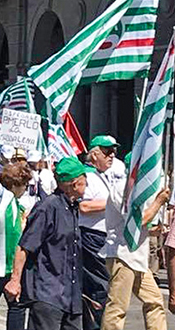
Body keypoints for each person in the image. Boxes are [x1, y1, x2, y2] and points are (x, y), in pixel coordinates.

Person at [5, 156, 88, 330]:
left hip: (71, 296)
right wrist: (15, 281)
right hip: (49, 294)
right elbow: (24, 247)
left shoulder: (73, 208)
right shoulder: (47, 208)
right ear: (74, 184)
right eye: (84, 180)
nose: (87, 185)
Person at [101, 155, 169, 330]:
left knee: (154, 301)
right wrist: (158, 201)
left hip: (137, 257)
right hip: (122, 255)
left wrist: (158, 227)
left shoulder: (140, 190)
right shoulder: (122, 189)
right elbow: (138, 221)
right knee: (118, 307)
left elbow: (146, 225)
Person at [0, 162, 33, 330]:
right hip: (7, 265)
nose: (25, 188)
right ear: (16, 184)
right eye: (24, 184)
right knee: (15, 306)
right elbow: (17, 236)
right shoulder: (11, 205)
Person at [80, 135, 118, 330]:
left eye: (113, 151)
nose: (112, 155)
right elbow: (84, 206)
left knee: (105, 285)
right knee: (99, 287)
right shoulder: (87, 176)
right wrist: (113, 204)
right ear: (94, 154)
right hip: (91, 237)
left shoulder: (101, 175)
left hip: (104, 238)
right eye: (107, 151)